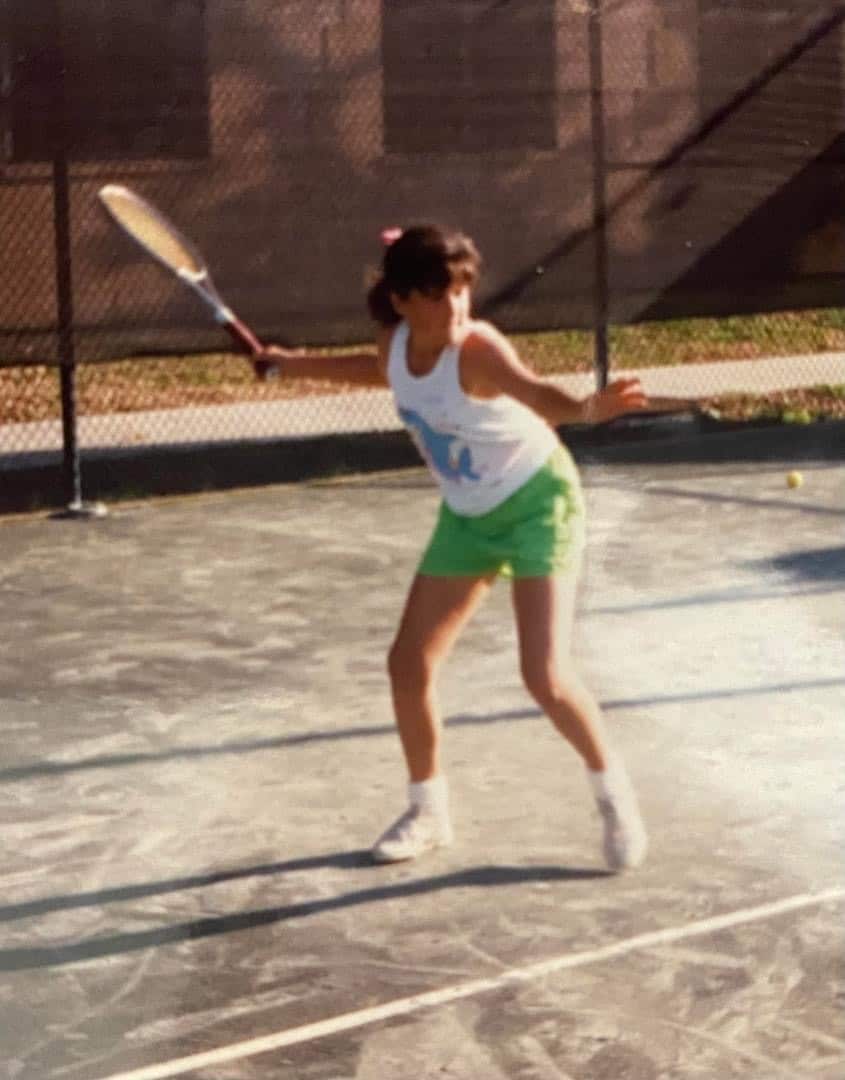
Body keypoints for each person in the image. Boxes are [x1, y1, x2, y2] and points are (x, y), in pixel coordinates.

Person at [257, 224, 649, 871]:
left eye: (463, 290)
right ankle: (428, 812)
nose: (456, 306)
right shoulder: (395, 343)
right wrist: (289, 364)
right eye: (438, 294)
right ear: (402, 301)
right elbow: (379, 370)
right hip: (468, 517)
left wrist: (586, 408)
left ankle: (614, 793)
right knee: (408, 664)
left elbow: (538, 396)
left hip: (537, 504)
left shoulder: (477, 348)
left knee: (545, 676)